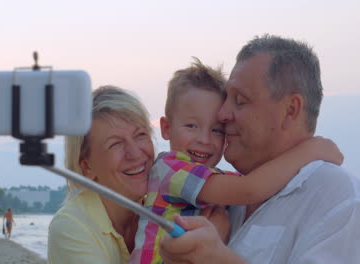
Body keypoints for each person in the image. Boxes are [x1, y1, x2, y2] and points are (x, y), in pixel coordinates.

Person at [160, 34, 360, 263]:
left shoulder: (341, 200)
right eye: (226, 99)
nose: (223, 114)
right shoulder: (221, 200)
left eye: (240, 100)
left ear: (291, 110)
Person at [48, 86, 155, 263]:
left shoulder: (163, 210)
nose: (135, 153)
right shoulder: (71, 226)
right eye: (115, 144)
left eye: (140, 135)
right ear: (86, 167)